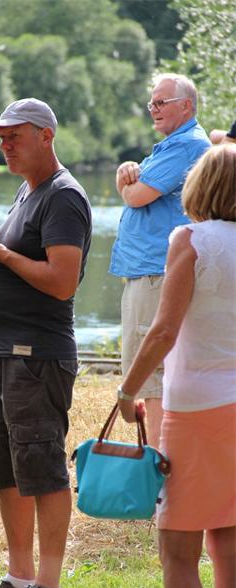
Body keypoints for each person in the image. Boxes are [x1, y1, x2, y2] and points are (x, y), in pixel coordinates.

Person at [0, 98, 92, 588]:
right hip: (5, 354)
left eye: (14, 135)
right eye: (0, 137)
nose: (4, 145)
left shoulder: (64, 196)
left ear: (46, 136)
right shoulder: (29, 190)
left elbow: (61, 282)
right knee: (8, 470)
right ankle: (19, 577)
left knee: (43, 469)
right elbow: (24, 258)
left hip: (37, 356)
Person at [117, 144, 236, 588]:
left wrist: (127, 389)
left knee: (178, 550)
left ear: (200, 187)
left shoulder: (191, 239)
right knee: (229, 545)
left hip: (197, 409)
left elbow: (164, 329)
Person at [109, 73, 210, 447]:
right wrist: (125, 174)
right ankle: (163, 460)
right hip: (149, 272)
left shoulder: (185, 145)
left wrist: (125, 183)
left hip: (155, 273)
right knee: (152, 376)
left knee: (152, 376)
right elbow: (134, 186)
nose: (153, 108)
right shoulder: (173, 145)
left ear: (186, 106)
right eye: (151, 102)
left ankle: (158, 466)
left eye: (161, 102)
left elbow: (138, 195)